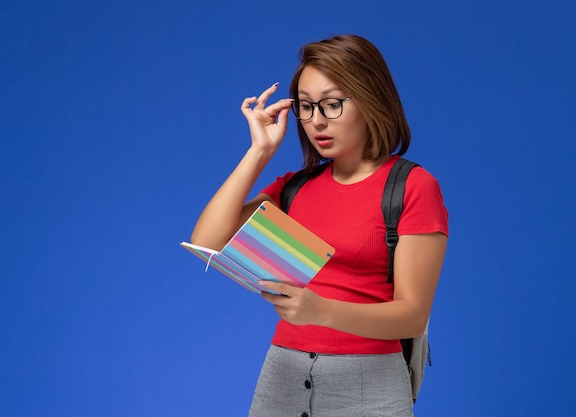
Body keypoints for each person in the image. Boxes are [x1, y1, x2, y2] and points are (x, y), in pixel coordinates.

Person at [190, 34, 448, 417]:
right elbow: (207, 241)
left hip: (369, 382)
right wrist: (259, 151)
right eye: (307, 107)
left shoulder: (410, 187)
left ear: (370, 98)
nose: (317, 122)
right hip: (283, 374)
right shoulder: (296, 187)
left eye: (332, 104)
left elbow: (412, 314)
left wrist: (322, 311)